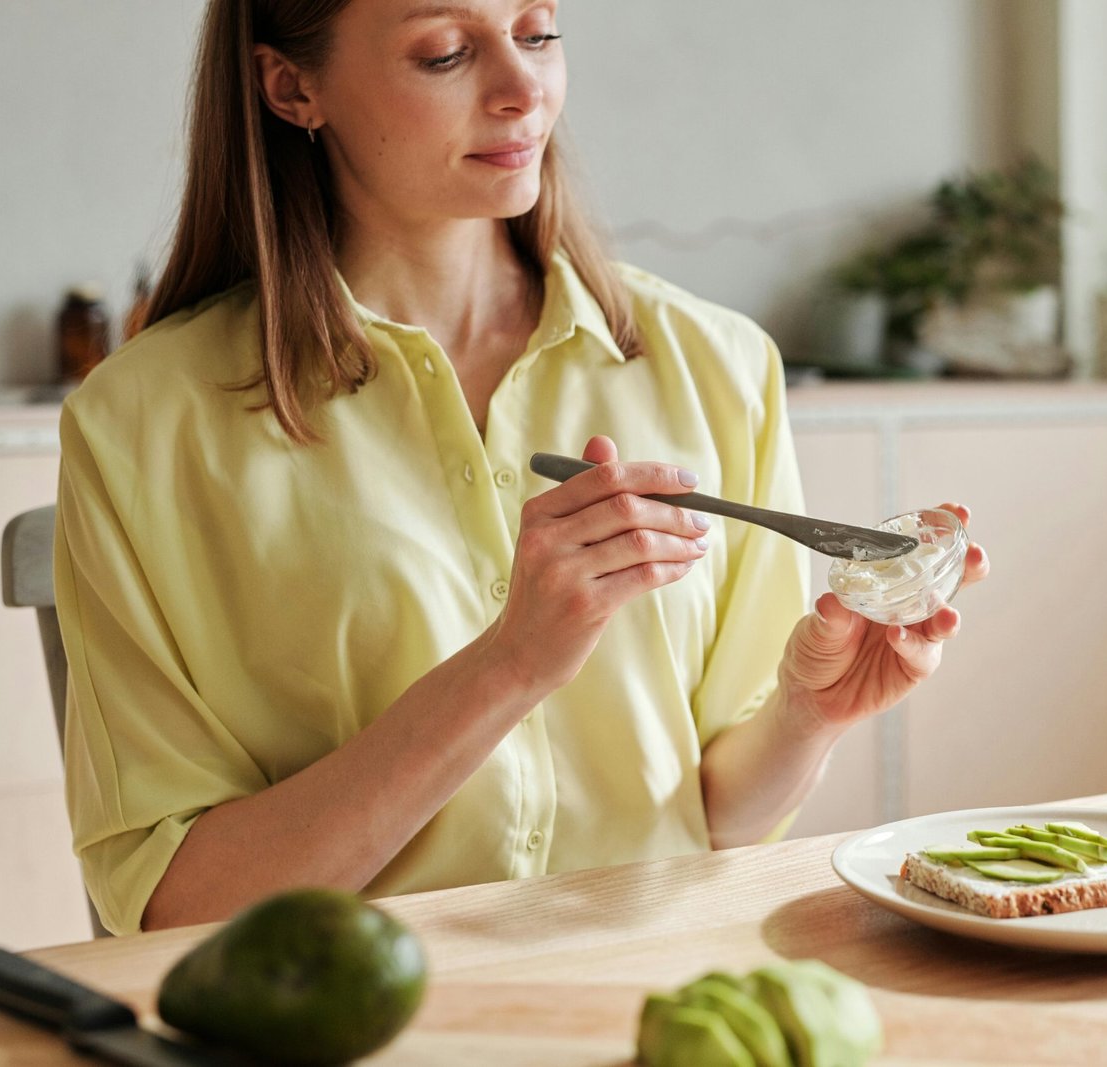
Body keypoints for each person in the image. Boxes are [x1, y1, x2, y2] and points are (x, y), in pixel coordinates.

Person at [54, 0, 990, 936]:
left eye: (537, 32)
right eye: (447, 52)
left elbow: (717, 823)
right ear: (293, 86)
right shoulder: (140, 424)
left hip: (656, 999)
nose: (522, 89)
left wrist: (808, 713)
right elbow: (175, 905)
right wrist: (510, 665)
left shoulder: (720, 366)